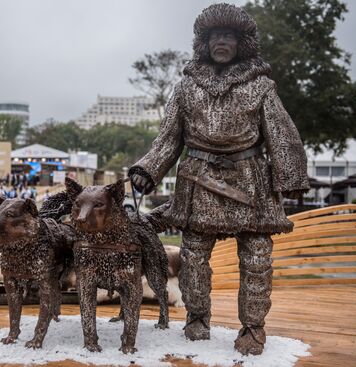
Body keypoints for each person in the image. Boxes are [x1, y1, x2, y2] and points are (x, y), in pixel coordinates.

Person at [129, 4, 309, 356]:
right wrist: (147, 169)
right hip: (198, 181)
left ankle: (254, 328)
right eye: (215, 36)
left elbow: (282, 134)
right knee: (194, 256)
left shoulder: (261, 87)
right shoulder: (185, 87)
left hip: (250, 181)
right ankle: (197, 318)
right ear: (204, 42)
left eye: (228, 36)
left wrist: (291, 175)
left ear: (241, 43)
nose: (221, 42)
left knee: (257, 258)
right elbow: (169, 138)